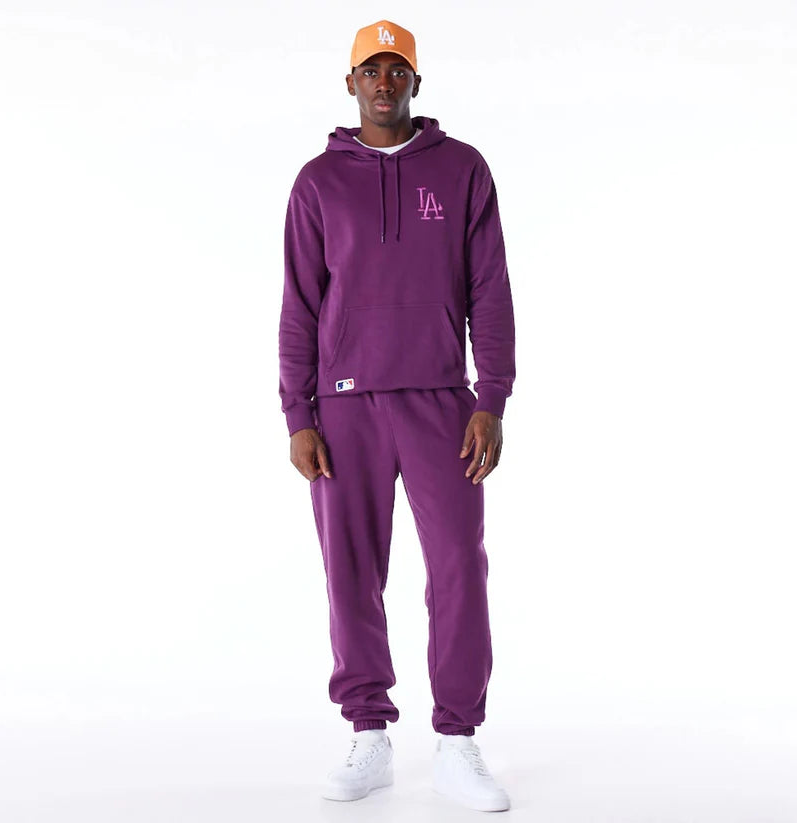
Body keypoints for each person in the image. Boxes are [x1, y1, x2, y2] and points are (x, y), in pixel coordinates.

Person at [277, 19, 515, 813]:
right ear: (350, 83)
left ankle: (457, 739)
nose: (384, 82)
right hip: (342, 408)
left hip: (443, 401)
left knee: (458, 568)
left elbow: (490, 289)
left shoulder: (462, 169)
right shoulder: (318, 181)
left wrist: (491, 397)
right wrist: (297, 413)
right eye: (370, 70)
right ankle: (368, 732)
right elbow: (299, 304)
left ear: (415, 81)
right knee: (350, 571)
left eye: (397, 70)